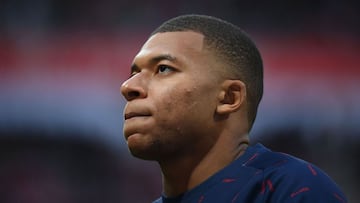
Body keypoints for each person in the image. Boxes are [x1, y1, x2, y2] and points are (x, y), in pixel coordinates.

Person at [120, 14, 347, 203]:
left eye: (163, 69)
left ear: (229, 98)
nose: (128, 86)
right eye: (134, 73)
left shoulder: (293, 190)